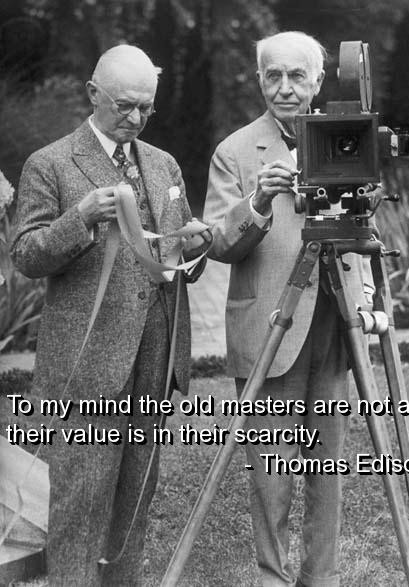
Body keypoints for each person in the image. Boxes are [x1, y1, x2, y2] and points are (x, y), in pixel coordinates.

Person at [11, 44, 210, 586]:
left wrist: (196, 246)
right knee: (80, 503)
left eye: (147, 107)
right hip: (87, 365)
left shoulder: (164, 164)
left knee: (136, 497)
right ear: (92, 94)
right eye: (125, 106)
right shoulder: (50, 163)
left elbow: (173, 254)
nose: (136, 118)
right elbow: (26, 256)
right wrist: (78, 218)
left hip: (155, 356)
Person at [203, 31, 373, 587]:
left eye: (297, 75)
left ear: (318, 81)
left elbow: (366, 225)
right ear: (259, 80)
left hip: (333, 323)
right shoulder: (234, 152)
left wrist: (366, 299)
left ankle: (321, 577)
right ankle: (272, 578)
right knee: (271, 476)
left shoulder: (346, 137)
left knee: (327, 468)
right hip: (269, 329)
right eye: (273, 75)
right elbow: (218, 244)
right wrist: (258, 199)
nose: (284, 88)